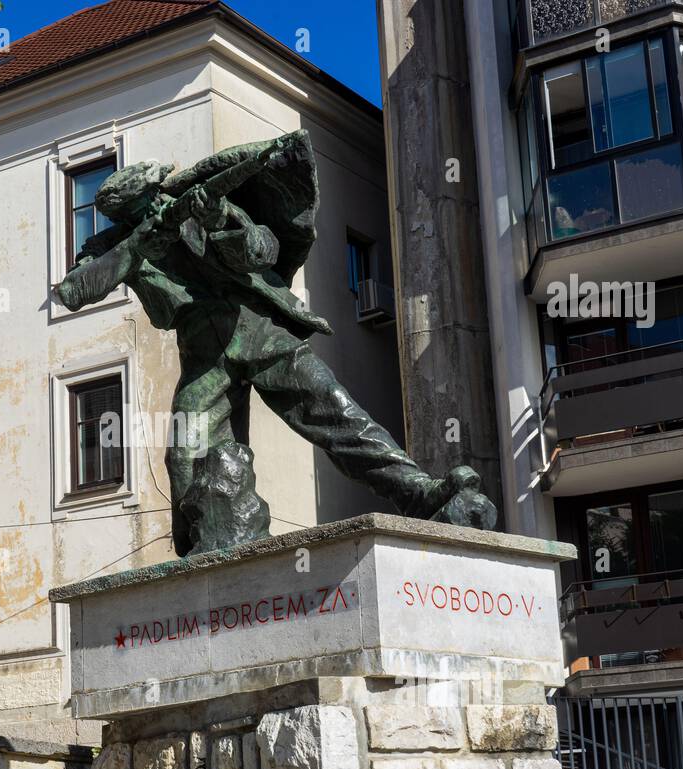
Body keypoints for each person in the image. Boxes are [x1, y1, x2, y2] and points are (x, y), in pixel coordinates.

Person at [57, 131, 496, 557]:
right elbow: (74, 291)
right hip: (204, 350)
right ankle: (199, 552)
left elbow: (263, 252)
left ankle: (421, 494)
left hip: (260, 328)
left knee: (338, 416)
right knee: (185, 453)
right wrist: (136, 246)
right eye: (136, 212)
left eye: (150, 202)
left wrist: (221, 221)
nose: (151, 210)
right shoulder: (114, 242)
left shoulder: (203, 204)